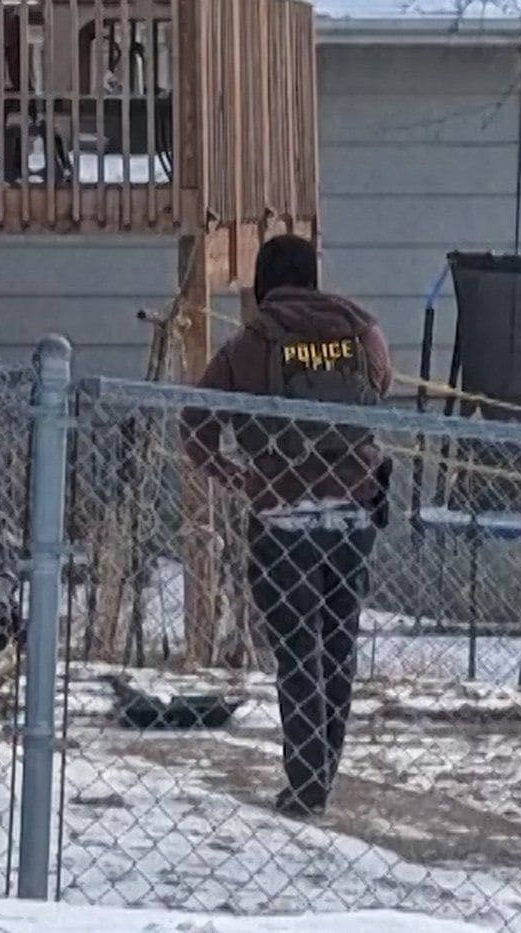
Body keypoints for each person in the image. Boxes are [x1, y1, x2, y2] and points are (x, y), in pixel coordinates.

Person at [181, 234, 393, 816]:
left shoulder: (250, 344)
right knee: (338, 642)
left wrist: (232, 474)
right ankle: (325, 769)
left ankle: (305, 784)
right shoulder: (362, 332)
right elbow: (379, 388)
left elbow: (196, 418)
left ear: (263, 283)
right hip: (352, 512)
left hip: (281, 516)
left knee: (298, 650)